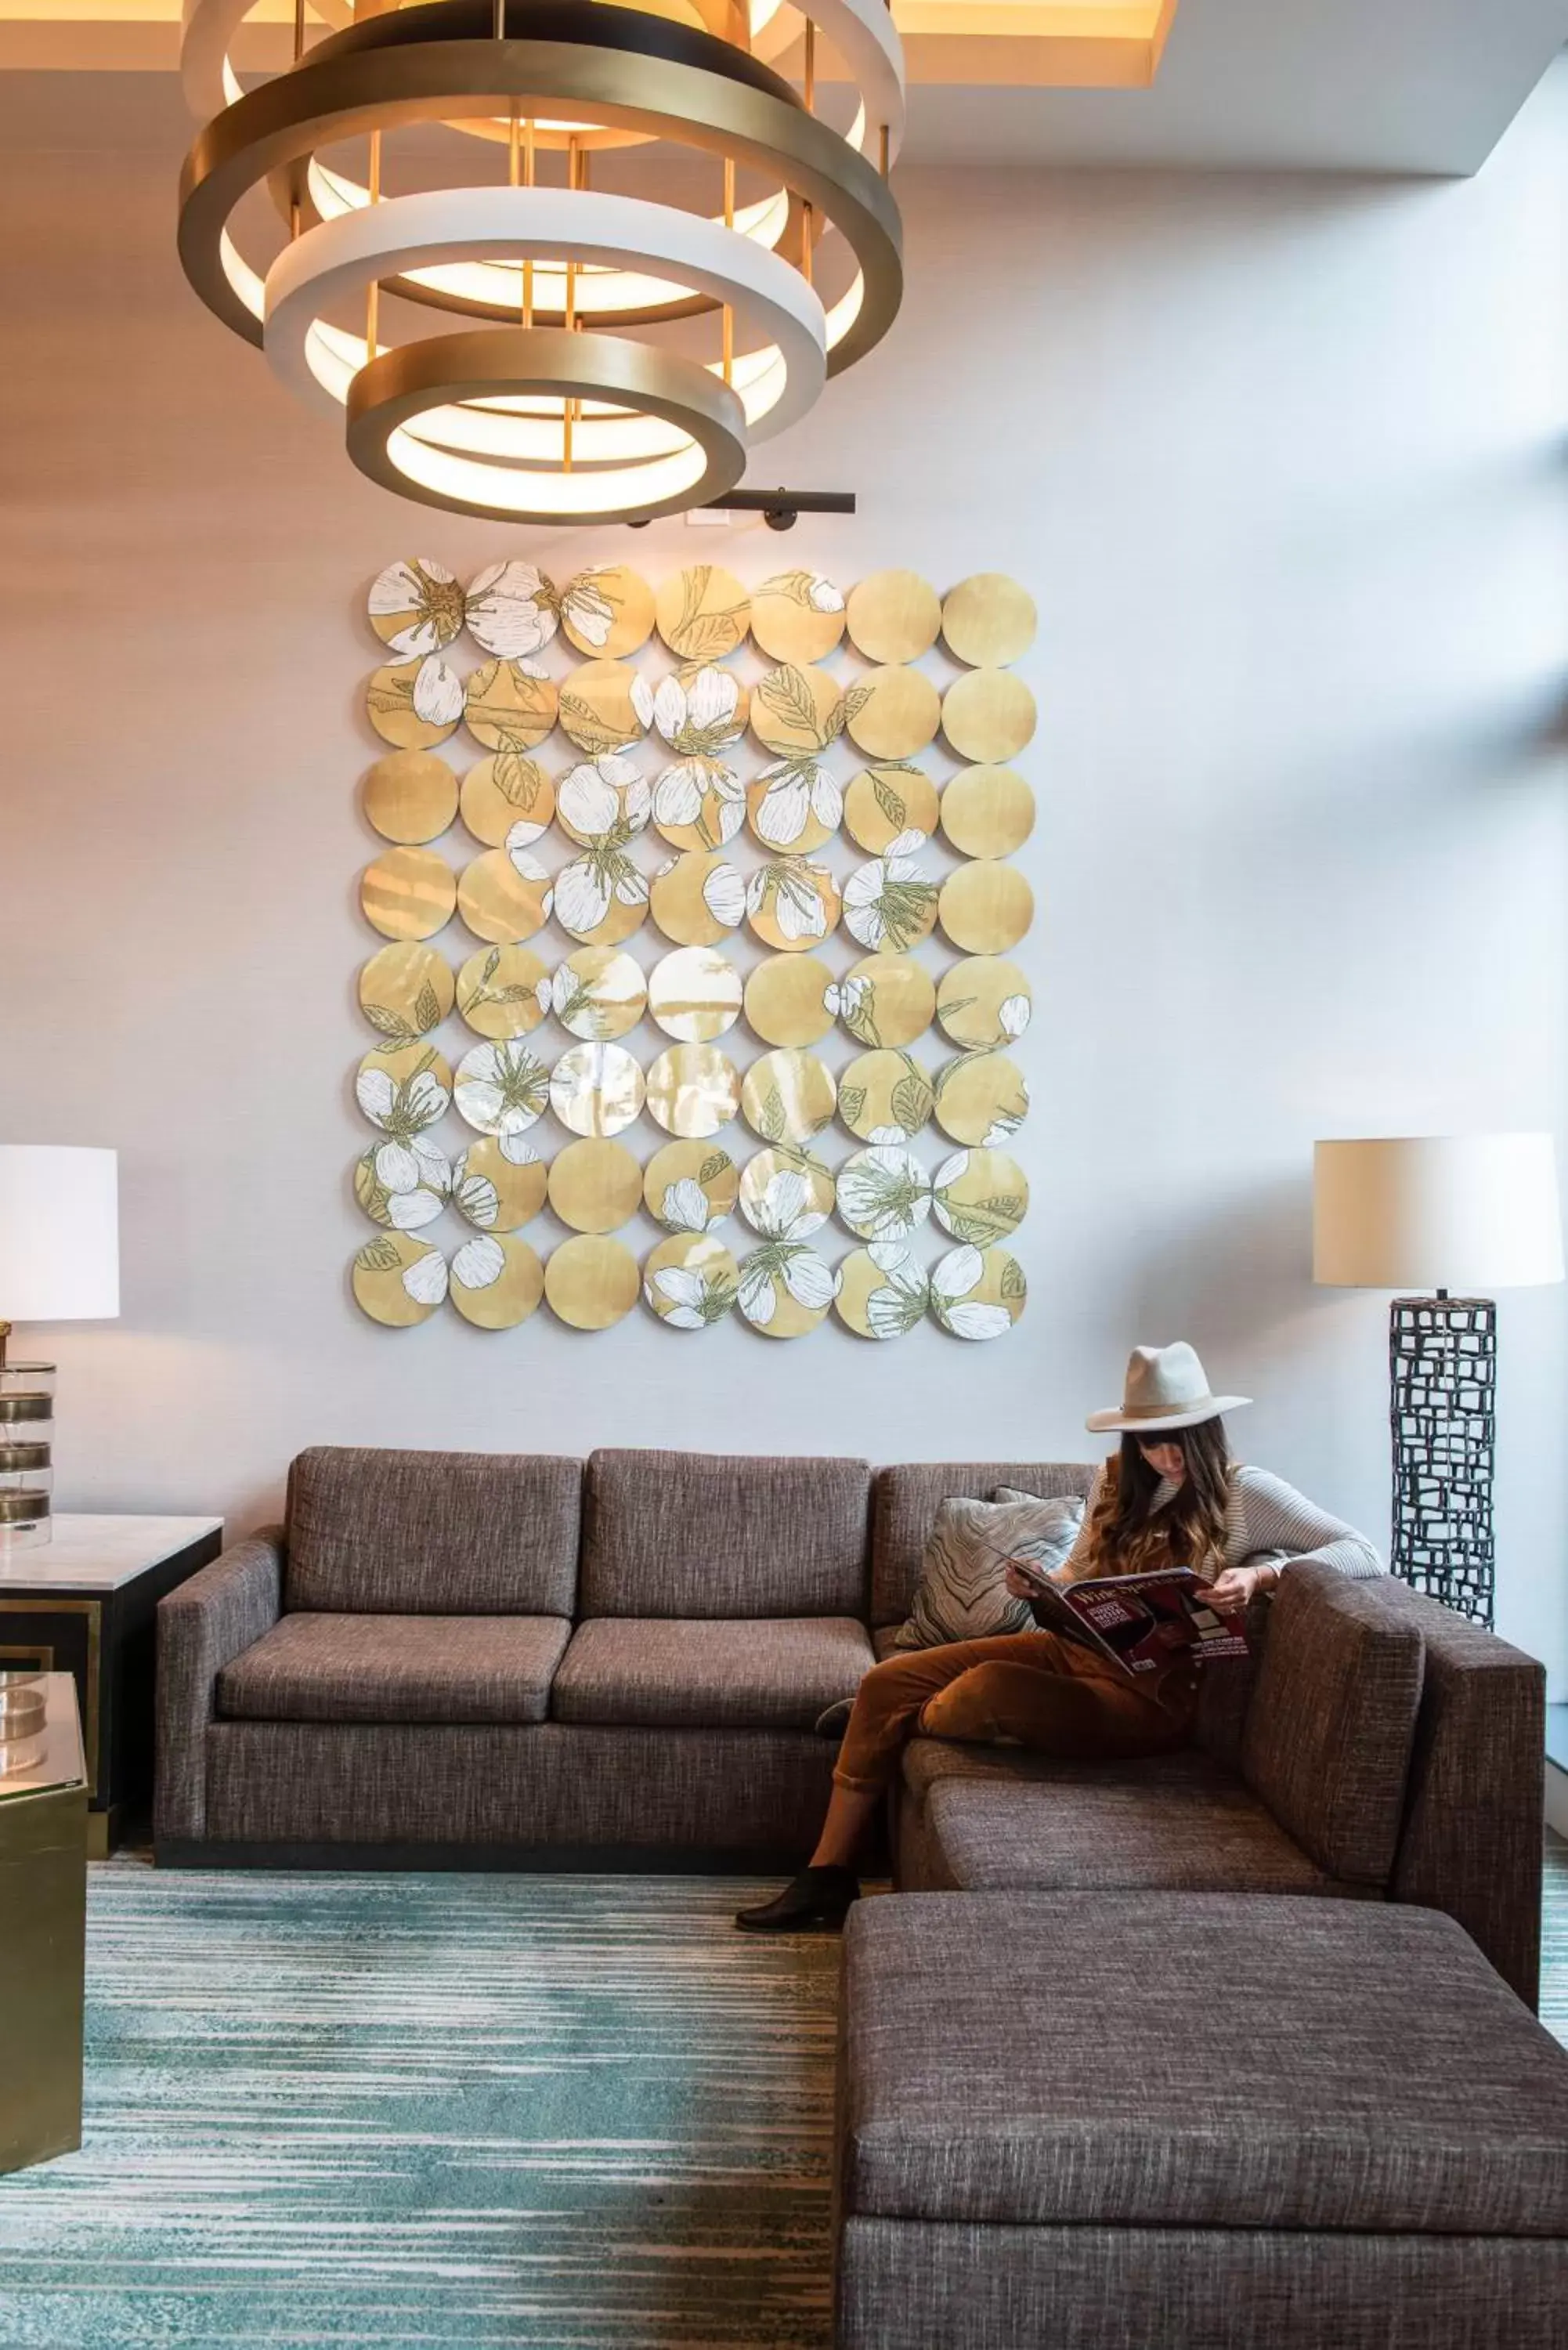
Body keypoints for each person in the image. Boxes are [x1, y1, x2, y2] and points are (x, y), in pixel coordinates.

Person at [735, 1340, 1381, 1933]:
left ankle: (895, 1722)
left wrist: (1262, 1576)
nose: (1164, 1457)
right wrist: (1045, 1585)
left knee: (986, 1688)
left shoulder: (1246, 1493)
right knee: (882, 1680)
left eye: (1176, 1440)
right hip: (1070, 1650)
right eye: (1149, 1443)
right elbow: (1080, 1572)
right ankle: (826, 1878)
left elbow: (1363, 1550)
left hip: (1146, 1698)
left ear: (1205, 1429)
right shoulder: (1113, 1482)